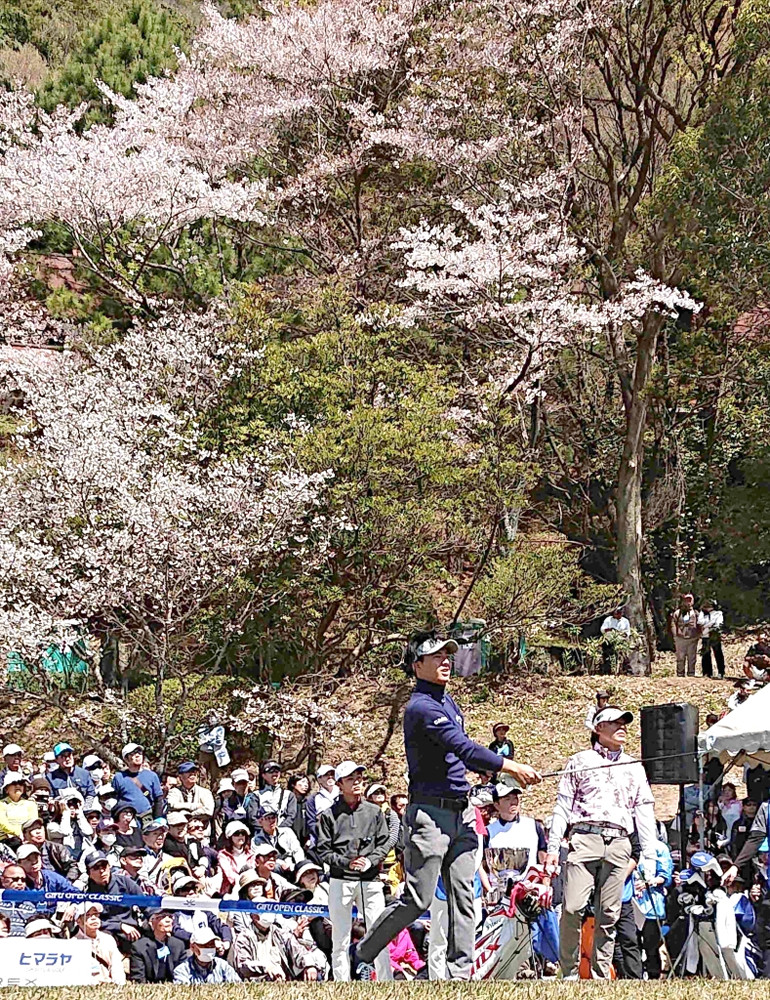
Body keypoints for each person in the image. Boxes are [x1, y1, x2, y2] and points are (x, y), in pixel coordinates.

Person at [354, 631, 540, 981]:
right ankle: (364, 951)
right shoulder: (421, 707)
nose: (445, 662)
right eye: (436, 657)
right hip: (429, 815)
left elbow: (463, 759)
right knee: (417, 900)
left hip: (462, 810)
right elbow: (464, 747)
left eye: (448, 655)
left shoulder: (448, 702)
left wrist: (490, 778)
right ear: (416, 665)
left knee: (464, 898)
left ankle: (459, 976)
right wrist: (510, 766)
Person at [544, 705, 656, 980]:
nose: (622, 726)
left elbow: (644, 811)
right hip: (584, 838)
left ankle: (600, 975)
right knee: (572, 907)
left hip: (619, 841)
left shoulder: (634, 766)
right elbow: (562, 807)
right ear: (597, 729)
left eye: (624, 722)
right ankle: (569, 973)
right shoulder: (579, 760)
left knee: (609, 913)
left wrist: (649, 858)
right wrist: (553, 847)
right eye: (614, 722)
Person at [316, 761, 393, 982]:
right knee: (340, 936)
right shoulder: (329, 815)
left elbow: (384, 843)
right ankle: (342, 983)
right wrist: (346, 863)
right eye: (351, 779)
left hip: (370, 880)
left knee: (379, 932)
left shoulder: (374, 811)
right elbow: (323, 850)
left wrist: (370, 861)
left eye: (359, 777)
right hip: (341, 880)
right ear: (340, 784)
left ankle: (386, 982)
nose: (357, 782)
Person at [83, 851, 144, 951]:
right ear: (89, 873)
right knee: (105, 942)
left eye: (104, 866)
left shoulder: (124, 882)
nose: (102, 871)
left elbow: (145, 903)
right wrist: (119, 926)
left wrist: (154, 918)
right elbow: (89, 920)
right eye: (96, 868)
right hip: (107, 930)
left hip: (132, 929)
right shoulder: (87, 892)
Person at [486, 779, 546, 871]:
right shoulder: (488, 832)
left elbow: (543, 857)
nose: (513, 802)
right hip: (497, 884)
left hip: (529, 884)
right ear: (496, 804)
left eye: (515, 798)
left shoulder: (534, 826)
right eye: (507, 799)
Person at [74, 901, 126, 984]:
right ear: (78, 921)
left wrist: (119, 984)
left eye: (96, 914)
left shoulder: (108, 939)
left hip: (110, 986)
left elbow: (116, 966)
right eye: (88, 915)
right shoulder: (74, 943)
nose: (94, 918)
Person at [130, 909, 186, 983]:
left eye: (170, 916)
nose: (168, 920)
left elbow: (183, 976)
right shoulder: (139, 947)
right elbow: (138, 979)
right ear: (151, 922)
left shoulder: (178, 945)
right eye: (162, 917)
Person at [173, 924, 242, 984]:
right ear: (193, 947)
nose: (209, 948)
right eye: (204, 945)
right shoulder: (182, 970)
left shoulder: (223, 966)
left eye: (211, 944)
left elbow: (237, 986)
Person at [112, 743, 164, 820]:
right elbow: (114, 799)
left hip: (147, 817)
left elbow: (158, 800)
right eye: (133, 753)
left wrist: (158, 819)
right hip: (127, 818)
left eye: (139, 752)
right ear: (126, 759)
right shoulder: (119, 777)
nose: (137, 755)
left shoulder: (152, 776)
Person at [21, 817, 80, 882]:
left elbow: (73, 867)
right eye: (33, 829)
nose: (38, 832)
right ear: (25, 835)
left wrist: (67, 882)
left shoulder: (58, 848)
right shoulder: (21, 852)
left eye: (39, 828)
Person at [253, 804, 305, 873]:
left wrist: (299, 865)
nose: (272, 821)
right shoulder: (256, 840)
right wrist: (280, 863)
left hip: (292, 864)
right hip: (275, 868)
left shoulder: (287, 831)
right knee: (275, 867)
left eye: (273, 817)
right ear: (260, 821)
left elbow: (297, 850)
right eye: (268, 818)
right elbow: (261, 860)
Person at [249, 761, 297, 830]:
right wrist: (266, 830)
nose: (274, 774)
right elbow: (252, 818)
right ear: (264, 775)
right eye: (270, 772)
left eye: (277, 771)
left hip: (283, 833)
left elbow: (291, 816)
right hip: (262, 834)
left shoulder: (289, 795)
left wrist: (279, 829)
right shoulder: (256, 795)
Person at [218, 820, 258, 895]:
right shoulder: (223, 855)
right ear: (230, 836)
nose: (240, 836)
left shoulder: (251, 854)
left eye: (243, 833)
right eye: (236, 834)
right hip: (230, 891)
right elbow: (230, 875)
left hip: (250, 889)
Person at [0, 772, 37, 841]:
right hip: (6, 840)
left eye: (20, 783)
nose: (18, 786)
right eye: (14, 783)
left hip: (28, 839)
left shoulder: (31, 804)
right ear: (6, 789)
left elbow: (33, 823)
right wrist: (19, 833)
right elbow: (3, 825)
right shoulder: (1, 804)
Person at [306, 765, 338, 843]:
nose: (330, 777)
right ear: (319, 779)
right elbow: (311, 822)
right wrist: (322, 835)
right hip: (321, 839)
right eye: (326, 775)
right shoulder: (313, 799)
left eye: (332, 774)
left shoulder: (343, 794)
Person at [671, 594, 700, 677]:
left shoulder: (695, 613)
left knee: (692, 657)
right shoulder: (677, 613)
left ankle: (691, 673)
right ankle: (680, 674)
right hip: (680, 638)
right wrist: (675, 635)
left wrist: (698, 635)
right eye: (686, 600)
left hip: (692, 638)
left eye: (690, 600)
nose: (688, 602)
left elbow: (700, 624)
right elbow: (673, 624)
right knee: (680, 657)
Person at [698, 599, 725, 678]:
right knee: (705, 654)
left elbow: (718, 623)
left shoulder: (718, 613)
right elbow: (700, 622)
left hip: (715, 635)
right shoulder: (702, 613)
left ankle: (721, 672)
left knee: (718, 653)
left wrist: (708, 625)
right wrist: (711, 624)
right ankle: (707, 672)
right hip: (705, 636)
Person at [600, 606, 631, 674]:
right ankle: (608, 671)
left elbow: (628, 632)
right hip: (609, 640)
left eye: (619, 613)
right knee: (608, 655)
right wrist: (610, 629)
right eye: (616, 613)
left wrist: (622, 634)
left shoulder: (625, 621)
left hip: (621, 641)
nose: (617, 615)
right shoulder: (608, 620)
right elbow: (602, 630)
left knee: (624, 656)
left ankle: (624, 671)